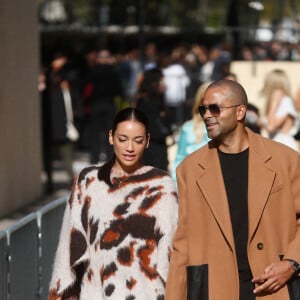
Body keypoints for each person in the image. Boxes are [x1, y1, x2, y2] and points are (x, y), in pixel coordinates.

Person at [166, 79, 300, 300]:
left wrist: (291, 263)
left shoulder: (285, 161)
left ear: (240, 112)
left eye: (215, 108)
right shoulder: (189, 170)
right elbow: (183, 243)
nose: (207, 115)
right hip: (215, 290)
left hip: (274, 289)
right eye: (203, 109)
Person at [49, 107, 178, 300]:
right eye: (122, 139)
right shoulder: (88, 181)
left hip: (147, 293)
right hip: (96, 292)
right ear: (111, 137)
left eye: (138, 140)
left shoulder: (161, 185)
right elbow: (69, 248)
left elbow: (170, 253)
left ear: (148, 141)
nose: (130, 148)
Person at [171, 81, 211, 181]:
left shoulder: (226, 130)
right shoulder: (188, 128)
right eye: (205, 100)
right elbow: (179, 160)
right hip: (191, 184)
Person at [136, 67, 171, 171]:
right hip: (151, 153)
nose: (163, 85)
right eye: (161, 81)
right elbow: (156, 131)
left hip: (158, 151)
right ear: (154, 83)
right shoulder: (146, 104)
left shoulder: (158, 102)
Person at [260, 69, 299, 151]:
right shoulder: (280, 102)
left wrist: (274, 104)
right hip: (276, 146)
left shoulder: (285, 101)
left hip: (284, 147)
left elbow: (270, 127)